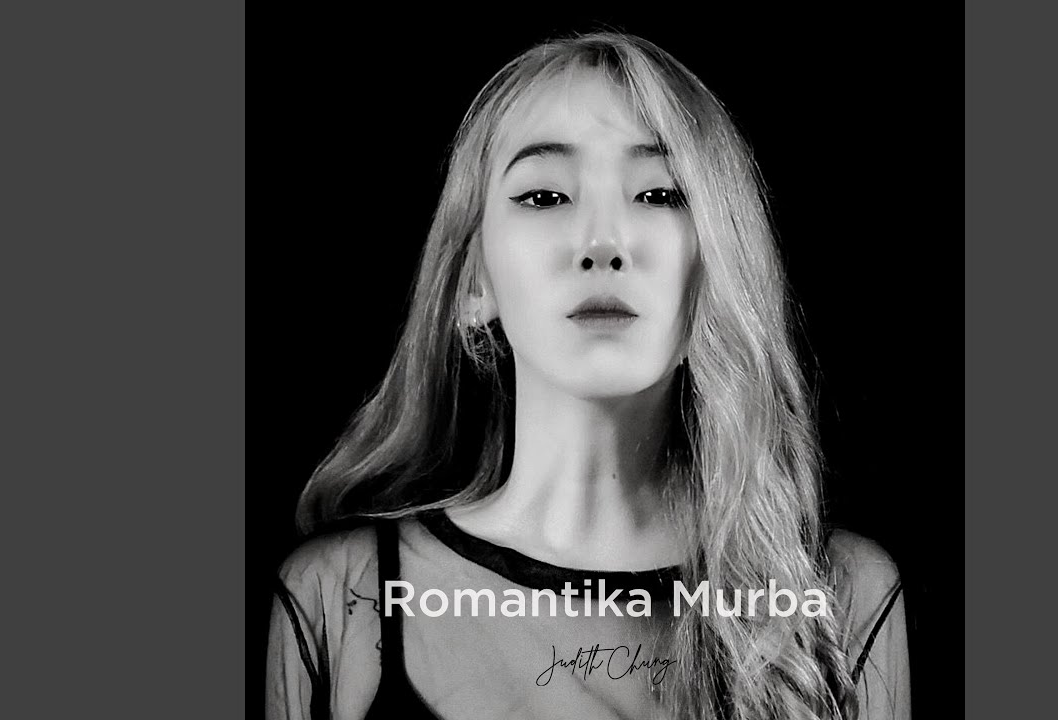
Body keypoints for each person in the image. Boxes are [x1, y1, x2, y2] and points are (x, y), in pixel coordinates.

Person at [265, 31, 909, 720]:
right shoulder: (339, 599)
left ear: (717, 269)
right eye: (545, 195)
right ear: (471, 281)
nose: (604, 244)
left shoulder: (839, 598)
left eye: (660, 193)